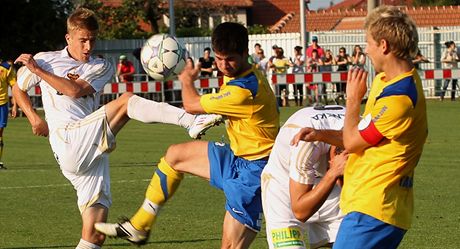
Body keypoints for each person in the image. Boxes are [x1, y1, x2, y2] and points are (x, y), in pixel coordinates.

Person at [12, 8, 222, 249]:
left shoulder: (101, 66)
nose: (88, 46)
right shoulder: (47, 59)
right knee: (126, 101)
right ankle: (190, 120)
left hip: (91, 151)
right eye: (82, 40)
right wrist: (34, 118)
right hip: (67, 139)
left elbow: (75, 90)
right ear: (69, 38)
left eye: (92, 39)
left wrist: (38, 71)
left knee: (94, 235)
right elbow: (19, 87)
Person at [94, 22, 280, 248]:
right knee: (175, 156)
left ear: (244, 53)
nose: (224, 65)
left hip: (255, 171)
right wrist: (217, 115)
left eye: (230, 59)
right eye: (219, 58)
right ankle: (139, 227)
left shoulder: (243, 90)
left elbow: (190, 104)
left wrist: (186, 79)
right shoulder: (241, 75)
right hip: (236, 157)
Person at [334, 6, 428, 248]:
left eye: (368, 43)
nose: (366, 50)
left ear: (383, 45)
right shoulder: (385, 81)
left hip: (376, 206)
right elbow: (363, 133)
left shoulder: (399, 99)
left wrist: (353, 100)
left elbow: (353, 141)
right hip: (368, 202)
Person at [261, 105, 348, 249]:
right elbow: (300, 211)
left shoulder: (367, 138)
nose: (342, 183)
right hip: (285, 189)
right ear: (333, 160)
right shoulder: (306, 143)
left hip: (330, 180)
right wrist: (334, 173)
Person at [0, 60, 18, 170]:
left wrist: (15, 105)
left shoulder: (6, 68)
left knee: (0, 133)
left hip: (2, 105)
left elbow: (14, 87)